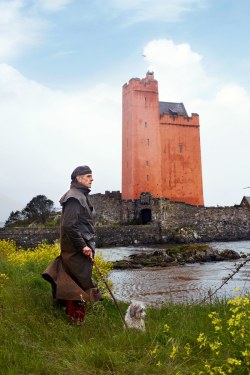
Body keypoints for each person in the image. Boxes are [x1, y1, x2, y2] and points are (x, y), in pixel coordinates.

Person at [42, 165, 103, 324]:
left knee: (74, 283)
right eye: (88, 176)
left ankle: (71, 318)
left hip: (77, 249)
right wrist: (83, 245)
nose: (92, 179)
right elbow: (69, 225)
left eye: (91, 176)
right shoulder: (75, 197)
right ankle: (75, 321)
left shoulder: (79, 195)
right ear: (79, 178)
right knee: (77, 285)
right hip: (76, 251)